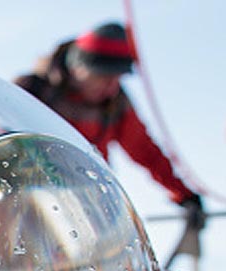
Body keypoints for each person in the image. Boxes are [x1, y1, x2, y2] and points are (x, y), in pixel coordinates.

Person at [15, 22, 204, 229]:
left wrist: (183, 194)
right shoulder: (32, 93)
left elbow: (145, 151)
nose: (111, 87)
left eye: (117, 79)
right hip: (28, 205)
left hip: (90, 206)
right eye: (103, 77)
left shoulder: (115, 105)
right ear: (78, 68)